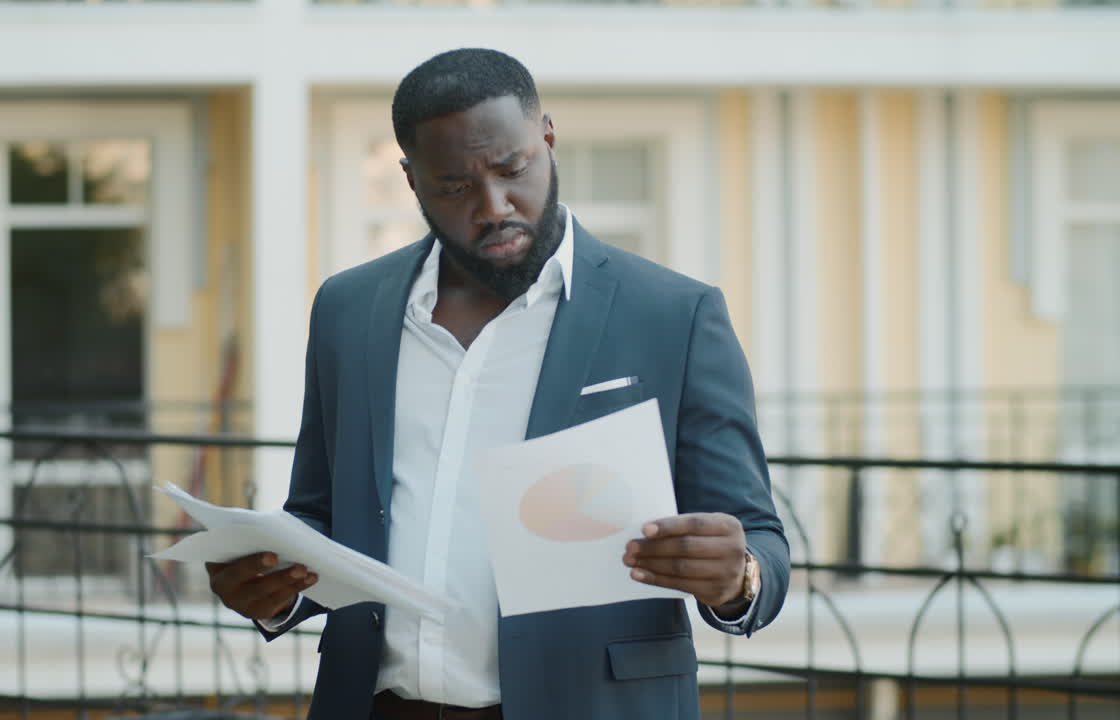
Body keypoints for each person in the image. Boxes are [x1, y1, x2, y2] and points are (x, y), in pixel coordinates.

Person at [207, 48, 789, 720]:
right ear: (412, 179)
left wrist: (739, 578)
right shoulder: (348, 310)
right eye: (454, 186)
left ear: (546, 138)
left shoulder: (674, 315)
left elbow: (760, 541)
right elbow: (320, 514)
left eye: (513, 169)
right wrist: (273, 590)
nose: (494, 207)